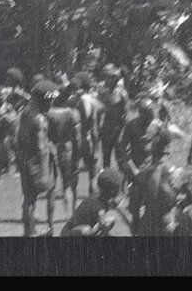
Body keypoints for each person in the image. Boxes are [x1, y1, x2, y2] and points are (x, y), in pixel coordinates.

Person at [17, 80, 57, 236]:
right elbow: (41, 147)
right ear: (43, 100)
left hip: (25, 159)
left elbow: (19, 138)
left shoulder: (26, 112)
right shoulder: (39, 119)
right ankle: (44, 229)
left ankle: (29, 231)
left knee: (28, 199)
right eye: (50, 100)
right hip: (37, 162)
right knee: (46, 192)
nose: (52, 104)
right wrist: (43, 173)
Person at [47, 84, 83, 219]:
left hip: (51, 149)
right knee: (67, 184)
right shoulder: (73, 113)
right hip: (66, 150)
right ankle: (70, 215)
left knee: (51, 187)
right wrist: (78, 157)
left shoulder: (49, 113)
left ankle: (50, 221)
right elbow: (77, 138)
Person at [118, 97, 168, 185]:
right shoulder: (131, 125)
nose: (151, 119)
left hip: (153, 166)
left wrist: (159, 165)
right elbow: (122, 148)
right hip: (136, 165)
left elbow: (166, 148)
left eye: (152, 115)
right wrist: (133, 168)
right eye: (148, 115)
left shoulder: (159, 125)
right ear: (141, 113)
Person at [67, 71, 103, 195]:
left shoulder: (71, 100)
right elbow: (94, 127)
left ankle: (73, 202)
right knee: (92, 174)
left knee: (73, 173)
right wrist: (96, 147)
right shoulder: (92, 101)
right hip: (88, 140)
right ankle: (90, 199)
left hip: (74, 139)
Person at [61, 168, 124, 236]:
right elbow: (101, 217)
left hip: (77, 230)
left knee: (108, 222)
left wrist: (114, 204)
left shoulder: (100, 196)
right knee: (90, 228)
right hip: (68, 234)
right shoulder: (96, 205)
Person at [99, 64, 129, 169]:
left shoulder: (122, 93)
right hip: (106, 129)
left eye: (109, 77)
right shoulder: (104, 92)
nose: (106, 80)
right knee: (105, 159)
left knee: (120, 158)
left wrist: (122, 131)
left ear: (115, 78)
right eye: (105, 77)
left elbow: (127, 113)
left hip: (117, 130)